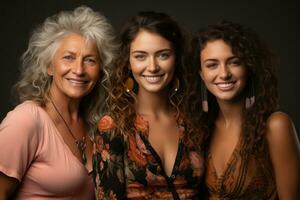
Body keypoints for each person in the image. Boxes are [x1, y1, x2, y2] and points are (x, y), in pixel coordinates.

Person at [0, 6, 117, 199]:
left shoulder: (94, 124)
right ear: (48, 66)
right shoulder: (26, 120)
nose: (79, 70)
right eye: (68, 58)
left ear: (101, 71)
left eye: (90, 60)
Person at [93, 11, 205, 199]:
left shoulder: (194, 120)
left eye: (163, 55)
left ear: (176, 58)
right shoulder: (112, 126)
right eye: (140, 56)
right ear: (127, 61)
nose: (152, 66)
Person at [190, 20, 300, 199]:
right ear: (202, 74)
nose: (224, 73)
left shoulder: (275, 126)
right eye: (212, 65)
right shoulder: (203, 127)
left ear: (248, 67)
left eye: (234, 62)